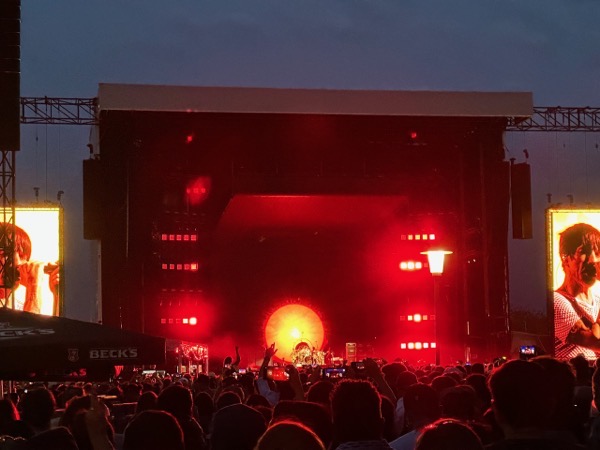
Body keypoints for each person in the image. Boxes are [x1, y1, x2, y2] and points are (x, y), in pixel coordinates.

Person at [554, 223, 600, 360]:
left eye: (598, 253)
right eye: (584, 251)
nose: (593, 260)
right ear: (565, 258)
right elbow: (595, 342)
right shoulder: (556, 301)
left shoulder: (598, 301)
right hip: (571, 380)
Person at [0, 222, 60, 315]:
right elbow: (30, 329)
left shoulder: (13, 303)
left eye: (24, 256)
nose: (20, 264)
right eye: (7, 255)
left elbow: (54, 329)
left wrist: (58, 297)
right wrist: (34, 287)